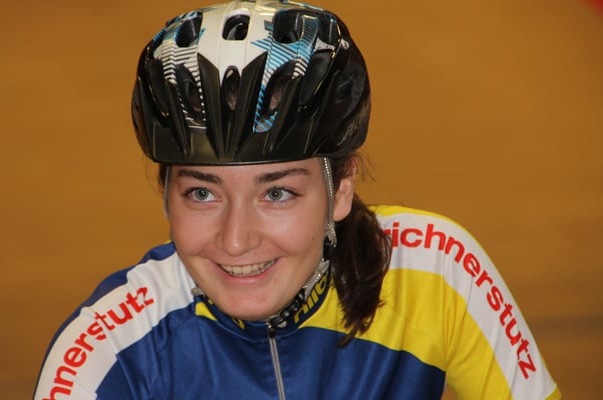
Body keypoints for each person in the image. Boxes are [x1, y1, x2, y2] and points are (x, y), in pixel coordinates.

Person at [34, 1, 561, 399]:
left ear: (341, 188)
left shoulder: (435, 271)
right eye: (202, 193)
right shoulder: (108, 350)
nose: (235, 241)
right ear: (166, 197)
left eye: (277, 192)